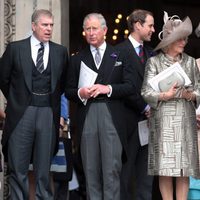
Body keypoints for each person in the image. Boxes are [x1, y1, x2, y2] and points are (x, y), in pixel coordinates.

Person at [66, 13, 136, 200]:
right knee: (91, 171)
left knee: (111, 170)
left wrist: (108, 88)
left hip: (111, 114)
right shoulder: (77, 59)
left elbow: (131, 86)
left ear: (104, 30)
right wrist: (81, 93)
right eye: (87, 29)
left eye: (94, 28)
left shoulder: (121, 54)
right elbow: (68, 90)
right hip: (87, 114)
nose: (91, 32)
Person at [0, 9, 68, 200]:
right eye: (44, 25)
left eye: (51, 25)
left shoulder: (60, 52)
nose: (49, 29)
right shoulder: (15, 48)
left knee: (44, 169)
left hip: (48, 112)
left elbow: (62, 84)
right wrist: (17, 99)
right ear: (33, 26)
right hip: (22, 113)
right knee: (18, 167)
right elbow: (3, 78)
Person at [141, 11, 200, 200]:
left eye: (185, 39)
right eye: (179, 39)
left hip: (185, 120)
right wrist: (163, 95)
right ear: (168, 40)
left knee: (184, 168)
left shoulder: (191, 62)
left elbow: (199, 90)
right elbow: (145, 92)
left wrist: (190, 94)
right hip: (163, 121)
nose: (183, 42)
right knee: (164, 168)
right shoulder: (154, 62)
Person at [116, 9, 155, 200]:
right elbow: (125, 87)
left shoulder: (151, 53)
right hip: (127, 123)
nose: (153, 30)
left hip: (148, 124)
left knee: (145, 177)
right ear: (138, 25)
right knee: (125, 174)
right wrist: (145, 107)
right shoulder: (118, 51)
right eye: (150, 25)